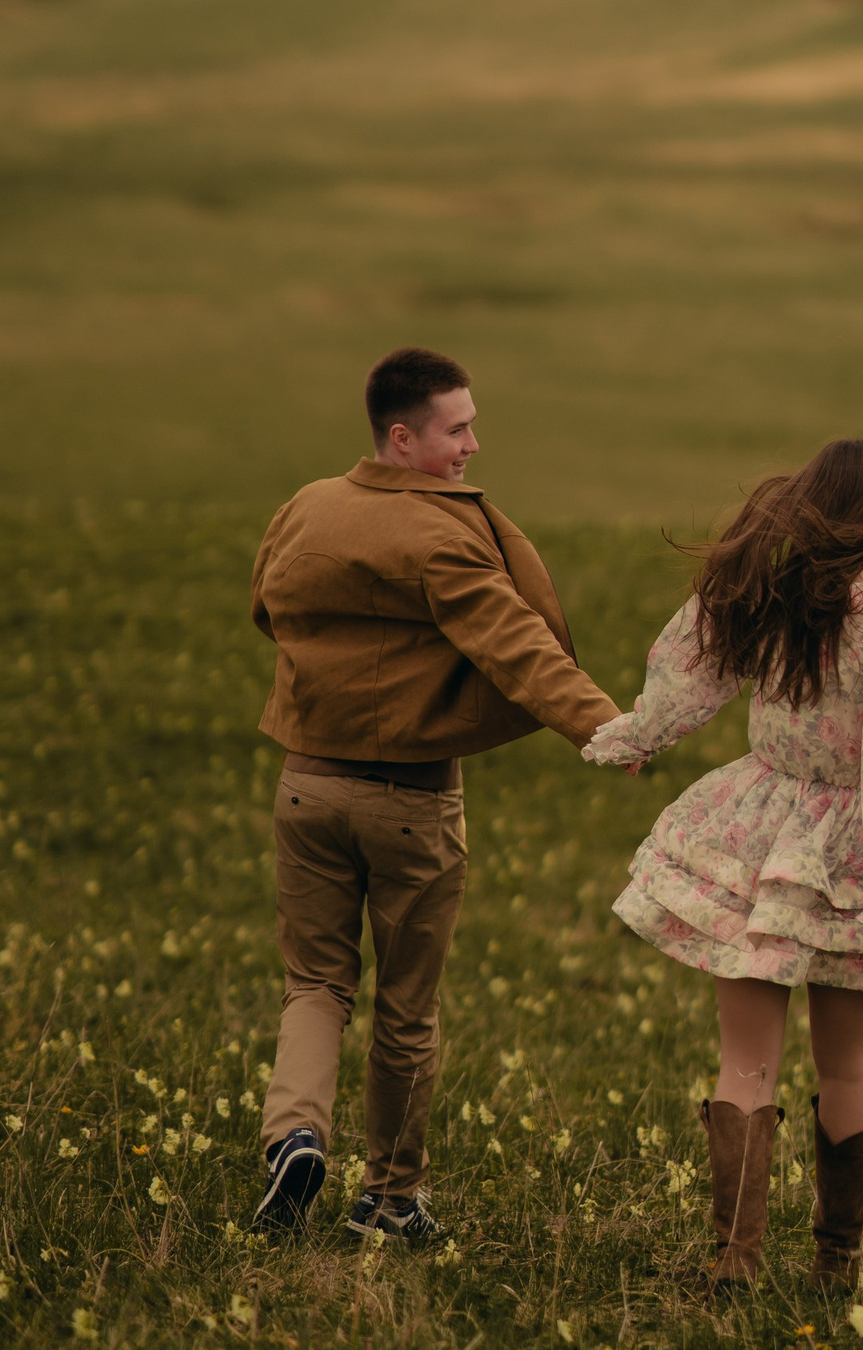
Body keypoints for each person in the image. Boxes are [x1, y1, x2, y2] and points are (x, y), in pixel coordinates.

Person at [582, 438, 863, 1286]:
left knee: (746, 1060)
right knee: (851, 1065)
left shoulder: (760, 592)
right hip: (852, 852)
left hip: (755, 833)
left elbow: (688, 680)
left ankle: (735, 1262)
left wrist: (640, 735)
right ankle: (836, 1266)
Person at [248, 346, 618, 1242]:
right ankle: (389, 1199)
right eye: (457, 431)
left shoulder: (306, 507)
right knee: (405, 1010)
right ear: (403, 438)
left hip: (305, 788)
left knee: (315, 984)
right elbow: (514, 642)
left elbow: (267, 608)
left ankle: (295, 1134)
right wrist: (603, 725)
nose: (472, 447)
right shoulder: (442, 536)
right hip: (410, 805)